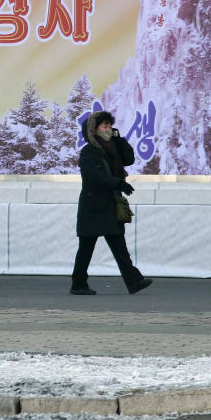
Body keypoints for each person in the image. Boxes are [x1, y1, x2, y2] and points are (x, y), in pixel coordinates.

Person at [70, 110, 152, 296]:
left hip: (110, 205)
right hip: (93, 206)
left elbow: (129, 158)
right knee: (86, 248)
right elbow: (95, 176)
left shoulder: (111, 148)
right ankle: (78, 284)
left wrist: (119, 138)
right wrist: (118, 183)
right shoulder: (88, 152)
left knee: (119, 246)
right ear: (94, 129)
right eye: (104, 125)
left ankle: (134, 281)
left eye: (109, 125)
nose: (108, 128)